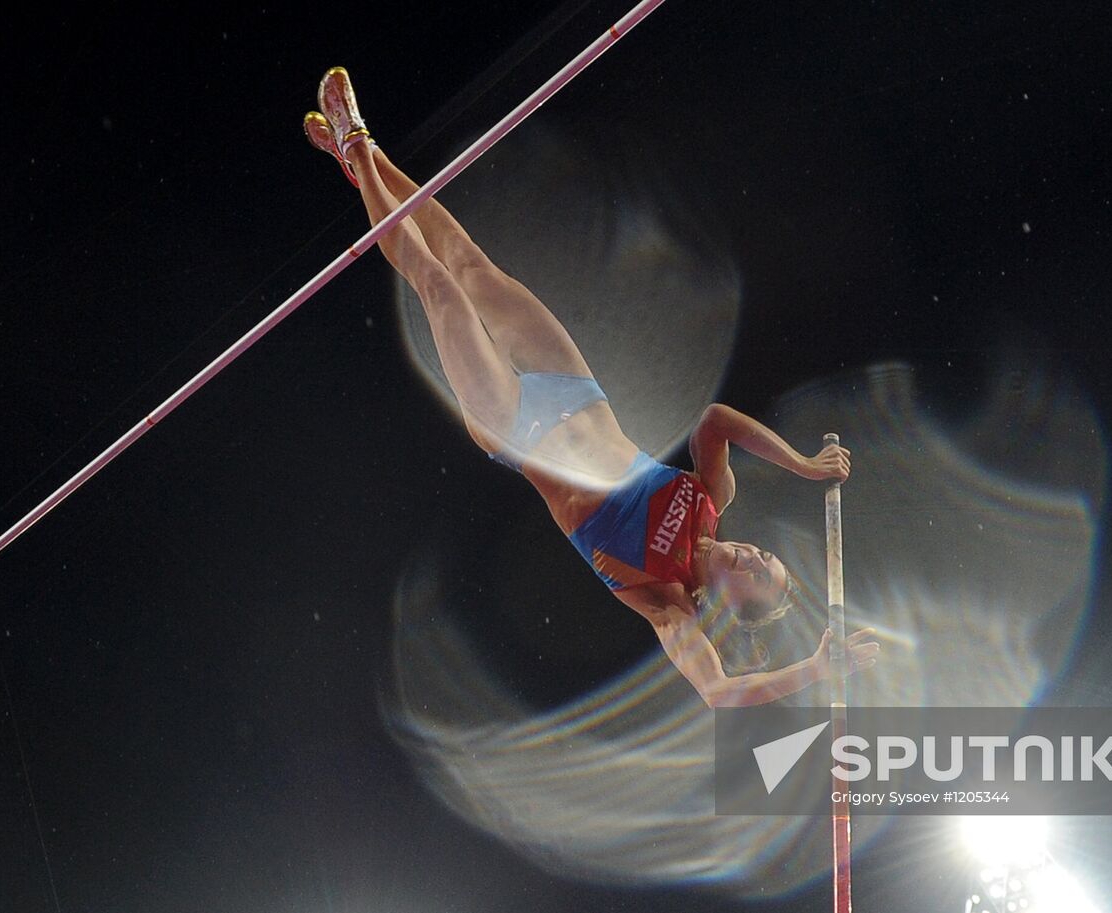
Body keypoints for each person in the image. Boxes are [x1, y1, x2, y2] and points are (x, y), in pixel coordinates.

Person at [304, 68, 878, 706]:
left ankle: (354, 143)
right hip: (572, 389)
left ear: (731, 605)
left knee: (435, 286)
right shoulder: (715, 496)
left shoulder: (668, 606)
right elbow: (714, 420)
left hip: (516, 430)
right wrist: (800, 464)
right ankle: (368, 157)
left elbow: (720, 694)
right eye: (763, 558)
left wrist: (817, 672)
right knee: (468, 260)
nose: (750, 557)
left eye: (754, 577)